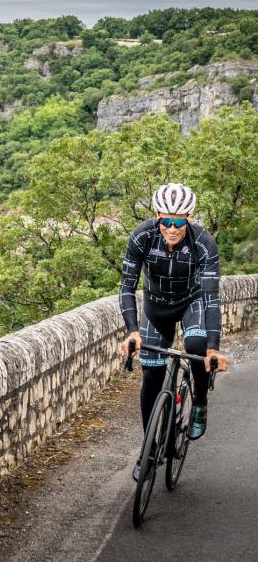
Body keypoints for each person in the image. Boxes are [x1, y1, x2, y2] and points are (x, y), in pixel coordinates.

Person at [118, 183, 229, 481]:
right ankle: (148, 450)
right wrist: (132, 331)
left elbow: (210, 299)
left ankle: (200, 404)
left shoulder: (204, 243)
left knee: (195, 343)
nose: (171, 227)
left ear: (189, 218)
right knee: (151, 377)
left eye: (179, 221)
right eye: (165, 220)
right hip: (155, 307)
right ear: (156, 216)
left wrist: (213, 349)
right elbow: (126, 287)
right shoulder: (142, 236)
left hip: (191, 303)